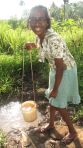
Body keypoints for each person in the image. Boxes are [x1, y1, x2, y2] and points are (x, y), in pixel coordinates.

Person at [25, 5, 81, 145]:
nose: (37, 23)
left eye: (41, 19)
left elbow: (61, 66)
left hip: (65, 71)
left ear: (47, 21)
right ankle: (51, 124)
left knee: (59, 103)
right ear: (29, 21)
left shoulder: (54, 39)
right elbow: (42, 46)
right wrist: (33, 45)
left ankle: (73, 132)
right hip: (55, 69)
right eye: (33, 19)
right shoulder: (40, 35)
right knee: (52, 98)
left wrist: (56, 88)